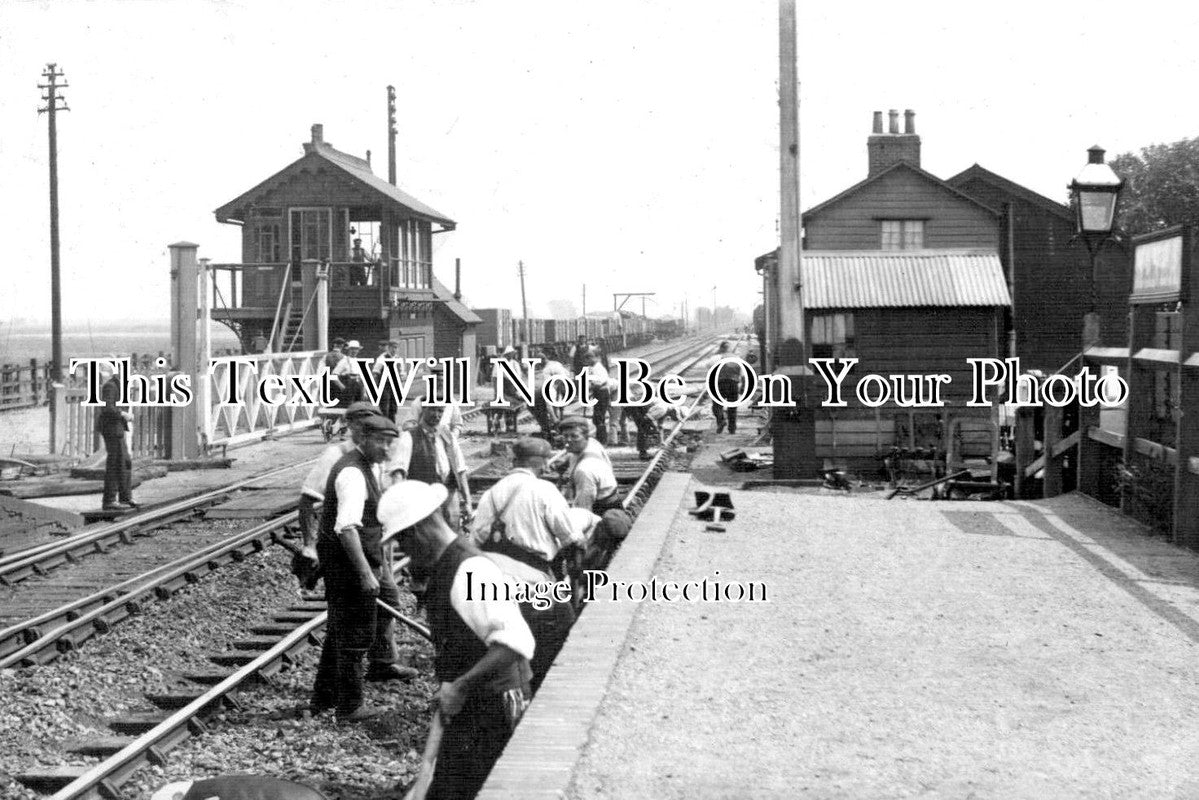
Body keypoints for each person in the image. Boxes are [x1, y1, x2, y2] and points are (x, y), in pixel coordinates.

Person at [376, 481, 535, 800]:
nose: (405, 552)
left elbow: (515, 642)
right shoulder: (449, 566)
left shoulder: (471, 569)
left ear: (418, 530)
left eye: (403, 541)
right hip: (474, 704)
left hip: (497, 705)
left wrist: (460, 685)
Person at [296, 403, 418, 686]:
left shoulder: (375, 455)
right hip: (348, 550)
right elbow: (308, 500)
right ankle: (345, 690)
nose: (368, 428)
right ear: (352, 427)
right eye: (363, 423)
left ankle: (378, 664)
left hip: (373, 545)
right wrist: (309, 545)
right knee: (355, 620)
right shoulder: (339, 457)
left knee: (384, 601)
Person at [470, 437, 594, 692]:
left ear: (515, 461)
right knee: (561, 632)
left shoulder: (491, 495)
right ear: (545, 464)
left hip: (494, 582)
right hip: (534, 582)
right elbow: (571, 537)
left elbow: (476, 539)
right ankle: (543, 689)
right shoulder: (544, 490)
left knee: (505, 644)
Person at [311, 415, 403, 721]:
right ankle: (350, 706)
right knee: (354, 635)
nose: (388, 449)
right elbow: (347, 529)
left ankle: (324, 698)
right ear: (363, 437)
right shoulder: (353, 472)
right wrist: (365, 573)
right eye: (382, 441)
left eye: (391, 442)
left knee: (340, 631)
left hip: (344, 564)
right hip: (348, 566)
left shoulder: (364, 465)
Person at [387, 403, 473, 530]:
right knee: (428, 537)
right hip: (423, 498)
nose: (437, 415)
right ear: (423, 409)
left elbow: (460, 469)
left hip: (449, 494)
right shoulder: (409, 437)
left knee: (452, 533)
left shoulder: (447, 435)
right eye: (433, 410)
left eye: (440, 411)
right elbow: (398, 472)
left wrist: (468, 502)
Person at [556, 416, 622, 513]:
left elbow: (583, 508)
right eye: (565, 436)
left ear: (586, 437)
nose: (568, 440)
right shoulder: (592, 443)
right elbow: (573, 452)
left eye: (574, 436)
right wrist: (565, 460)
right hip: (610, 498)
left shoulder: (584, 470)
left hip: (601, 510)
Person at [97, 361, 137, 510]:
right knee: (114, 463)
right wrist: (123, 414)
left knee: (125, 461)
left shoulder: (119, 386)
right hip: (111, 429)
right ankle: (109, 500)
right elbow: (107, 408)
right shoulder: (110, 386)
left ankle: (125, 497)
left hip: (117, 429)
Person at [711, 341, 745, 434]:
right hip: (733, 384)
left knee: (717, 406)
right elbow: (743, 374)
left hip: (719, 384)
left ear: (721, 348)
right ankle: (732, 429)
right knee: (732, 408)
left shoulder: (716, 358)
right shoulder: (737, 358)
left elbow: (708, 368)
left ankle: (721, 421)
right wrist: (743, 387)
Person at [583, 349, 612, 445]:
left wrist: (590, 386)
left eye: (587, 360)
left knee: (599, 417)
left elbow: (600, 382)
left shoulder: (599, 368)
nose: (587, 363)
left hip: (602, 393)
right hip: (598, 393)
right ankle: (600, 438)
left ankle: (602, 440)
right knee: (597, 417)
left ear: (592, 358)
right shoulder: (593, 367)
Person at [372, 340, 401, 421]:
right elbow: (375, 372)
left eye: (396, 348)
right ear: (388, 348)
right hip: (384, 385)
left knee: (393, 407)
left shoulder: (398, 359)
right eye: (392, 347)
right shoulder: (382, 358)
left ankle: (392, 425)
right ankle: (383, 425)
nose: (394, 350)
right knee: (384, 407)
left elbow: (401, 373)